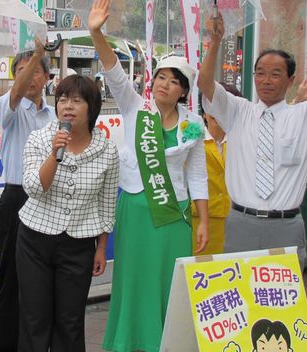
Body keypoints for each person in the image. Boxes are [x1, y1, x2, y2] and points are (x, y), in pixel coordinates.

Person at [88, 1, 209, 351]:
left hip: (174, 215)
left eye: (174, 82)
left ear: (184, 91)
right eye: (161, 77)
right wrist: (97, 32)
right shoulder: (134, 107)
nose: (164, 85)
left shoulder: (192, 125)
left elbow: (198, 176)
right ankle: (128, 342)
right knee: (133, 280)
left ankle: (166, 343)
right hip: (137, 210)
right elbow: (112, 70)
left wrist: (203, 221)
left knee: (168, 282)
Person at [197, 13, 307, 268]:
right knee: (240, 301)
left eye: (275, 74)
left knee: (281, 305)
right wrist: (214, 43)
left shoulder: (306, 115)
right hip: (241, 223)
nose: (266, 81)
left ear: (290, 80)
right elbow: (205, 83)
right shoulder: (238, 111)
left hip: (286, 226)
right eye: (260, 73)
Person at [16, 74, 119, 351]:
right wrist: (54, 154)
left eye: (76, 100)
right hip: (34, 240)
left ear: (92, 107)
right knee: (34, 317)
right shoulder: (40, 139)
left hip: (79, 244)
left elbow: (107, 202)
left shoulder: (107, 150)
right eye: (62, 99)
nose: (67, 106)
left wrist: (101, 248)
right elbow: (35, 188)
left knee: (70, 320)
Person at [0, 41, 55, 352]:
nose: (28, 77)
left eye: (34, 72)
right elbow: (16, 93)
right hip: (17, 198)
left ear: (46, 77)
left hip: (52, 201)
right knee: (11, 281)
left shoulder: (57, 116)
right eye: (20, 71)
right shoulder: (9, 108)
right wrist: (38, 54)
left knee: (44, 282)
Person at [191, 83, 242, 255]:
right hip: (198, 223)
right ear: (205, 113)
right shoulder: (191, 138)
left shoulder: (242, 140)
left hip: (235, 222)